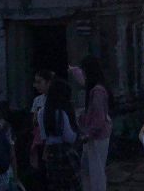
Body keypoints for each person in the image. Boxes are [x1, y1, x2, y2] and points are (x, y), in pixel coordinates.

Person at [69, 57, 112, 191]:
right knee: (87, 169)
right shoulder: (96, 88)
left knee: (96, 173)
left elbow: (98, 119)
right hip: (95, 135)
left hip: (97, 136)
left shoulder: (97, 91)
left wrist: (88, 134)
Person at [39, 79, 82, 191]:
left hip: (51, 154)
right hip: (65, 152)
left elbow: (44, 136)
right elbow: (69, 137)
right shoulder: (61, 113)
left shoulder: (41, 112)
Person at [30, 69, 54, 175]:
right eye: (36, 82)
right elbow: (34, 121)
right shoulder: (37, 100)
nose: (36, 85)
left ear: (48, 82)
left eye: (40, 82)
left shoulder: (55, 99)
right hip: (40, 139)